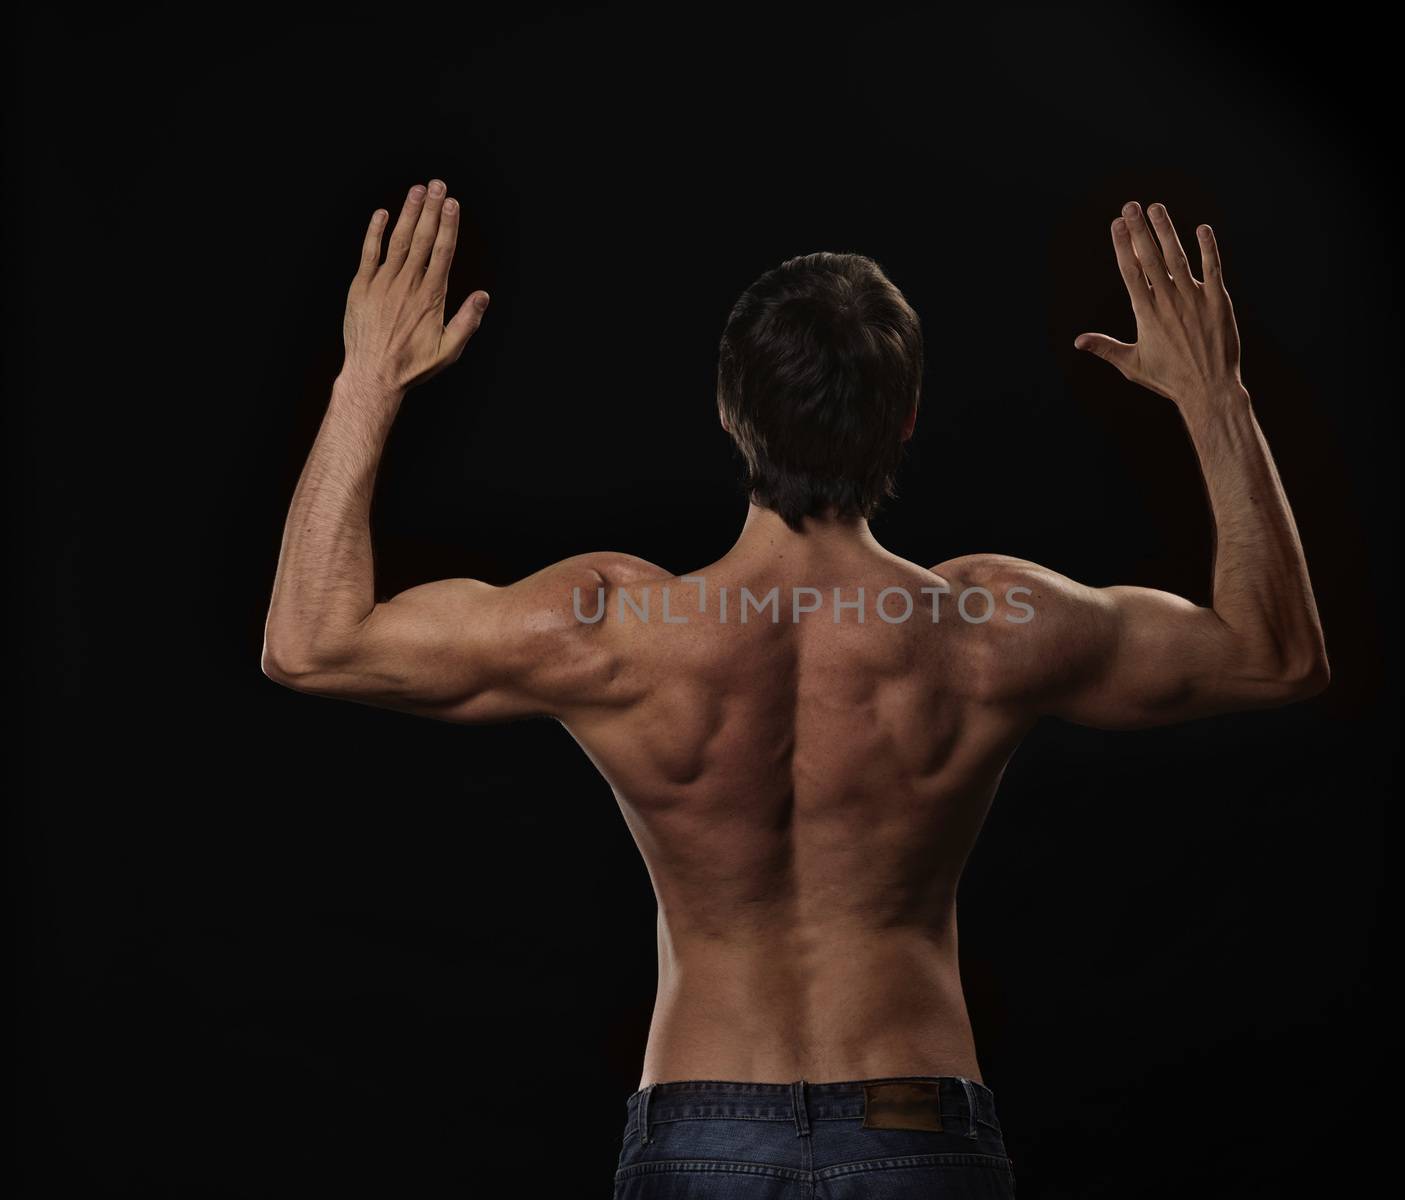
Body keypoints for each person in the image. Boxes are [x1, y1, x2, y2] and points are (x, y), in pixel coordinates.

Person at [262, 179, 1329, 1198]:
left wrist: (367, 381)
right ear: (904, 421)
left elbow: (311, 643)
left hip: (700, 1127)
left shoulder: (616, 629)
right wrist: (1215, 397)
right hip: (915, 1128)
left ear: (731, 417)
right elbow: (1274, 655)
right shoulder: (986, 629)